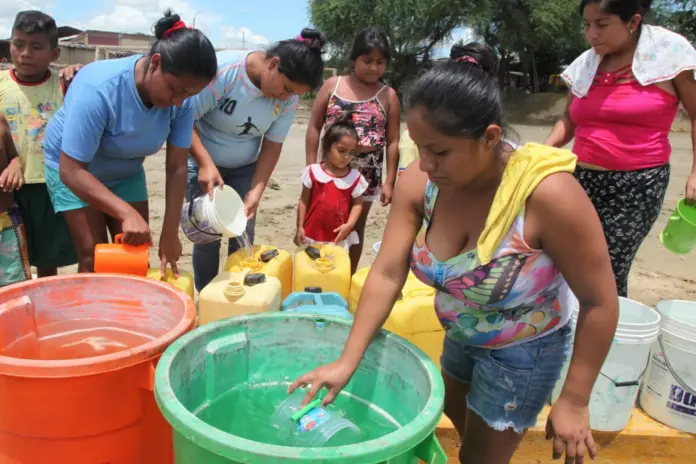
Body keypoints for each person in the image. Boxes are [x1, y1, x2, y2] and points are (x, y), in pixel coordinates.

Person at [290, 43, 620, 464]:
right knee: (469, 439)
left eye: (440, 151)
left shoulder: (547, 196)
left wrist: (575, 399)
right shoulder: (421, 182)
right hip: (460, 336)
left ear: (490, 138)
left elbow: (600, 302)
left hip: (522, 352)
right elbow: (388, 272)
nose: (425, 164)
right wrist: (345, 361)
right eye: (419, 147)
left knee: (480, 458)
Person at [43, 10, 217, 273]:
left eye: (190, 94)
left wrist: (170, 233)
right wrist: (125, 212)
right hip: (75, 170)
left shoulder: (183, 100)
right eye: (175, 89)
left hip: (125, 170)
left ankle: (129, 313)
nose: (180, 100)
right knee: (95, 255)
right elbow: (71, 170)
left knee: (134, 254)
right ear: (155, 63)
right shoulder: (98, 88)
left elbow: (178, 167)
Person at [545, 0, 696, 297]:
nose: (592, 34)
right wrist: (542, 150)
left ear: (632, 21)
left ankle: (610, 339)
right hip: (580, 180)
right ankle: (567, 334)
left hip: (636, 185)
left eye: (602, 24)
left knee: (607, 271)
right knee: (563, 262)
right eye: (586, 25)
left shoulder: (668, 57)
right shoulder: (587, 65)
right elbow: (569, 117)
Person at [187, 28, 326, 291]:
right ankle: (207, 296)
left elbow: (272, 145)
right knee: (208, 237)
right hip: (202, 163)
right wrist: (205, 163)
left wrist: (256, 190)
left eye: (292, 94)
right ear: (273, 64)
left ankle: (235, 293)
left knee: (242, 234)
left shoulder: (288, 99)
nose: (285, 98)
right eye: (285, 88)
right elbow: (184, 119)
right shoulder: (224, 72)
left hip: (245, 167)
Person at [305, 27, 400, 272]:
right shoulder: (332, 85)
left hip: (365, 176)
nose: (373, 67)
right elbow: (315, 127)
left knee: (354, 226)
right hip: (329, 171)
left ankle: (345, 276)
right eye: (367, 61)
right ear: (354, 59)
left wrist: (389, 181)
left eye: (380, 62)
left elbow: (393, 141)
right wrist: (310, 167)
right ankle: (318, 273)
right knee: (322, 219)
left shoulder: (388, 95)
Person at [0, 11, 79, 278]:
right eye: (18, 44)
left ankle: (46, 303)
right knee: (10, 257)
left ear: (55, 54)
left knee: (47, 255)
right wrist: (12, 162)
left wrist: (77, 72)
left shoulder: (64, 85)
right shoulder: (1, 86)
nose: (25, 53)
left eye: (36, 47)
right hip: (7, 187)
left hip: (51, 184)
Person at [295, 117, 368, 251]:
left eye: (351, 152)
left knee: (334, 269)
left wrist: (349, 225)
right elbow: (303, 200)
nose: (346, 156)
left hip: (337, 237)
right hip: (311, 233)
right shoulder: (313, 172)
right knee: (309, 268)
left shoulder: (354, 177)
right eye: (341, 151)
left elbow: (358, 204)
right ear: (327, 147)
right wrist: (299, 227)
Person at [0, 114, 31, 287]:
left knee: (15, 290)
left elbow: (13, 155)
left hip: (6, 224)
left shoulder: (0, 120)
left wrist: (14, 165)